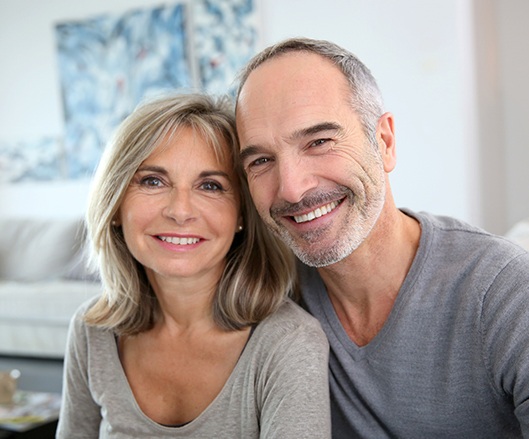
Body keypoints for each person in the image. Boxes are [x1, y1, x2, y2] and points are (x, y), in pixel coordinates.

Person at [235, 37, 529, 438]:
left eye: (319, 142)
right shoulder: (266, 293)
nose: (291, 188)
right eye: (261, 160)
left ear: (385, 142)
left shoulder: (504, 291)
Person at [56, 93, 331, 438]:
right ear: (115, 204)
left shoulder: (289, 343)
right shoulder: (91, 331)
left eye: (210, 186)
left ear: (241, 215)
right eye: (153, 181)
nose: (180, 210)